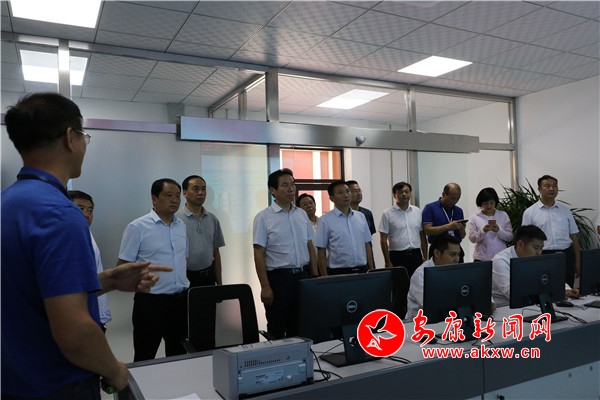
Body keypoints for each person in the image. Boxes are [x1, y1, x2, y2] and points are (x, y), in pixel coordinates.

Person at [1, 92, 169, 399]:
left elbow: (34, 291)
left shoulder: (8, 203)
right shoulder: (59, 213)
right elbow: (75, 332)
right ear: (70, 138)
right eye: (84, 136)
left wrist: (108, 280)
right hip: (58, 384)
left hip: (15, 379)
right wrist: (115, 371)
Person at [118, 178, 189, 362]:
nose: (174, 200)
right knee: (145, 356)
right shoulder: (138, 227)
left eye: (177, 196)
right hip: (151, 304)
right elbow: (122, 267)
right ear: (154, 198)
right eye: (168, 195)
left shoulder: (181, 226)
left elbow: (183, 259)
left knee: (179, 356)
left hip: (180, 302)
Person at [253, 169, 318, 339]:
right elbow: (258, 253)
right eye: (285, 185)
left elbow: (309, 245)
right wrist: (265, 286)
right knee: (277, 328)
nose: (291, 189)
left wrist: (315, 275)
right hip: (279, 280)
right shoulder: (264, 217)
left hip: (303, 277)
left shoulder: (301, 214)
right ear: (273, 190)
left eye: (292, 184)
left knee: (301, 327)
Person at [175, 175, 225, 350]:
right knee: (183, 327)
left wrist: (220, 284)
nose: (200, 193)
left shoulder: (212, 219)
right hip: (185, 280)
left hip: (207, 278)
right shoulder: (176, 219)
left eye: (203, 189)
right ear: (185, 193)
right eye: (195, 189)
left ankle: (207, 359)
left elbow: (216, 252)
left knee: (207, 326)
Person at [492, 225, 579, 307]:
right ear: (520, 244)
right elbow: (512, 293)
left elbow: (550, 278)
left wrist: (566, 290)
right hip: (504, 309)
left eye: (541, 248)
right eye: (536, 248)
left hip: (531, 306)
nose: (539, 252)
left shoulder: (533, 258)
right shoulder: (500, 261)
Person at [522, 175, 581, 287]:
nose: (551, 189)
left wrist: (578, 262)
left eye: (554, 186)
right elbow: (525, 240)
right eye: (547, 186)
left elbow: (574, 237)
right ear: (539, 189)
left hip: (566, 256)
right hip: (542, 256)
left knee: (568, 291)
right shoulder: (530, 212)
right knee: (544, 289)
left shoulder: (565, 210)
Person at [69, 190, 112, 332]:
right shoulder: (65, 239)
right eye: (80, 208)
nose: (86, 214)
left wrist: (102, 318)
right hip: (77, 317)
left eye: (90, 210)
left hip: (93, 313)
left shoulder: (86, 234)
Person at [315, 180, 375, 276]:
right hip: (338, 272)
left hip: (362, 270)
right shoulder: (325, 220)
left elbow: (367, 244)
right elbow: (321, 251)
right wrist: (324, 277)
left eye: (347, 191)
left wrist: (371, 269)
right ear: (332, 198)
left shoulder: (360, 216)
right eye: (340, 193)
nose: (346, 195)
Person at [406, 234, 461, 320]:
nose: (457, 259)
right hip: (420, 323)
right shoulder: (421, 275)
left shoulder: (454, 271)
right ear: (437, 253)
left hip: (446, 319)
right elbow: (431, 305)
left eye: (458, 255)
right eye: (453, 255)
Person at [378, 181, 427, 276]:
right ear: (394, 195)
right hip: (397, 256)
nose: (404, 194)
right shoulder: (387, 214)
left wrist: (425, 257)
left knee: (417, 282)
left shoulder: (417, 211)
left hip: (416, 255)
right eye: (400, 192)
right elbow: (383, 239)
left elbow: (422, 235)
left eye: (406, 191)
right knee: (399, 283)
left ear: (410, 194)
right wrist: (387, 261)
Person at [422, 182, 466, 262]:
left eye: (457, 198)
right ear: (443, 194)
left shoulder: (459, 211)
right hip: (439, 249)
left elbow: (462, 236)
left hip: (456, 248)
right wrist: (448, 227)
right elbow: (427, 230)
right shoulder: (430, 208)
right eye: (452, 198)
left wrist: (462, 229)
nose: (454, 201)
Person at [468, 187, 513, 261]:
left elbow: (510, 237)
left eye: (491, 203)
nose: (489, 206)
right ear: (481, 203)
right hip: (481, 258)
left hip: (501, 257)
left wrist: (498, 231)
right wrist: (483, 231)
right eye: (485, 203)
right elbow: (472, 239)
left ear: (495, 202)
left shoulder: (503, 215)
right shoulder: (475, 217)